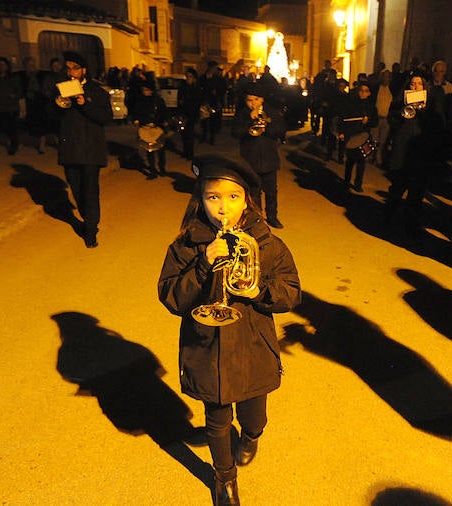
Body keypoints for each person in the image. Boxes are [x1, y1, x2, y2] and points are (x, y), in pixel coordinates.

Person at [158, 154, 300, 506]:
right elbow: (172, 297)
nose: (223, 208)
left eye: (232, 197)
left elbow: (292, 291)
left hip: (253, 345)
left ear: (247, 200)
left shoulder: (266, 243)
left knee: (254, 415)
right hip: (205, 347)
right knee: (217, 420)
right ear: (200, 200)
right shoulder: (186, 246)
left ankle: (252, 436)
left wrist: (259, 291)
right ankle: (224, 480)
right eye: (213, 197)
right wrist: (203, 265)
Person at [52, 51, 113, 248]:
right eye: (68, 68)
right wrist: (57, 104)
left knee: (90, 191)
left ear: (84, 70)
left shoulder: (97, 91)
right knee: (76, 189)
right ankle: (88, 221)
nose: (71, 72)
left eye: (75, 68)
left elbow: (105, 117)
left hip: (90, 149)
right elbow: (50, 116)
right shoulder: (61, 88)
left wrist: (85, 103)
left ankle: (91, 229)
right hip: (70, 148)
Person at [382, 71, 451, 237]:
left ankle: (410, 224)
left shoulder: (431, 104)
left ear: (424, 86)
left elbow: (439, 124)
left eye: (419, 84)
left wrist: (424, 113)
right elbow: (391, 119)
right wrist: (401, 113)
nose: (415, 86)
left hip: (421, 152)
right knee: (397, 187)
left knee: (416, 191)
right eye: (412, 84)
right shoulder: (400, 101)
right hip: (402, 149)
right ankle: (387, 219)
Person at [231, 83, 287, 229]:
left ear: (262, 99)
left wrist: (266, 127)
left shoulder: (272, 112)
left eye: (256, 99)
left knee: (271, 190)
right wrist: (249, 121)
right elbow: (235, 133)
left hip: (269, 157)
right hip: (250, 157)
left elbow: (280, 131)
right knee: (253, 191)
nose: (252, 103)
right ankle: (256, 218)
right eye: (249, 100)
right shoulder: (242, 113)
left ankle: (272, 216)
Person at [337, 82, 378, 191]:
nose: (363, 93)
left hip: (364, 136)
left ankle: (358, 184)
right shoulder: (351, 103)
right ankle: (346, 182)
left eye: (366, 91)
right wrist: (341, 132)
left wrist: (367, 121)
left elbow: (375, 122)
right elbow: (343, 118)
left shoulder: (371, 106)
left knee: (361, 162)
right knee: (350, 161)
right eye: (361, 90)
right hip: (352, 135)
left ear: (369, 93)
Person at [130, 80, 170, 179]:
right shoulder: (139, 101)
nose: (145, 91)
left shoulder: (158, 101)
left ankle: (162, 169)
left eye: (147, 90)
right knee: (150, 151)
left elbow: (164, 112)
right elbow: (135, 112)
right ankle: (153, 171)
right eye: (143, 90)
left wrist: (164, 121)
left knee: (161, 150)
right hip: (145, 128)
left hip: (157, 127)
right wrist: (136, 120)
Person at [17, 56, 52, 154]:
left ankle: (42, 145)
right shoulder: (23, 77)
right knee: (28, 123)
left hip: (40, 102)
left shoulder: (41, 75)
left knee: (42, 124)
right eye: (29, 65)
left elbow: (45, 87)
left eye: (33, 65)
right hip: (29, 102)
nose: (32, 67)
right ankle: (23, 142)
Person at [0, 56, 22, 155]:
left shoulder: (13, 78)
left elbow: (19, 90)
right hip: (1, 106)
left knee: (12, 126)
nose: (2, 67)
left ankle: (13, 145)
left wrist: (14, 96)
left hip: (12, 106)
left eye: (3, 65)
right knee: (4, 126)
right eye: (0, 65)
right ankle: (13, 141)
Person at [200, 61, 226, 145]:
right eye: (213, 68)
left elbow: (222, 89)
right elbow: (199, 89)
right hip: (204, 102)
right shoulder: (203, 78)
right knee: (204, 121)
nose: (214, 70)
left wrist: (217, 93)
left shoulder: (218, 79)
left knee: (212, 121)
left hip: (213, 102)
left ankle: (212, 137)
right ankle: (204, 136)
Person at [178, 68, 202, 160]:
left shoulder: (196, 88)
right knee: (183, 134)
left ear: (194, 78)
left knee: (190, 134)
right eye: (187, 76)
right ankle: (185, 151)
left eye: (190, 77)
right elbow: (179, 99)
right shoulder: (183, 87)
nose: (188, 78)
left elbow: (197, 102)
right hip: (184, 113)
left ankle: (190, 153)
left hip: (192, 114)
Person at [373, 68, 394, 168]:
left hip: (386, 119)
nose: (386, 78)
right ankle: (373, 157)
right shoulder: (377, 89)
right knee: (375, 139)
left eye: (388, 76)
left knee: (382, 141)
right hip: (377, 118)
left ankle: (378, 157)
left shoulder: (392, 90)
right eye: (384, 76)